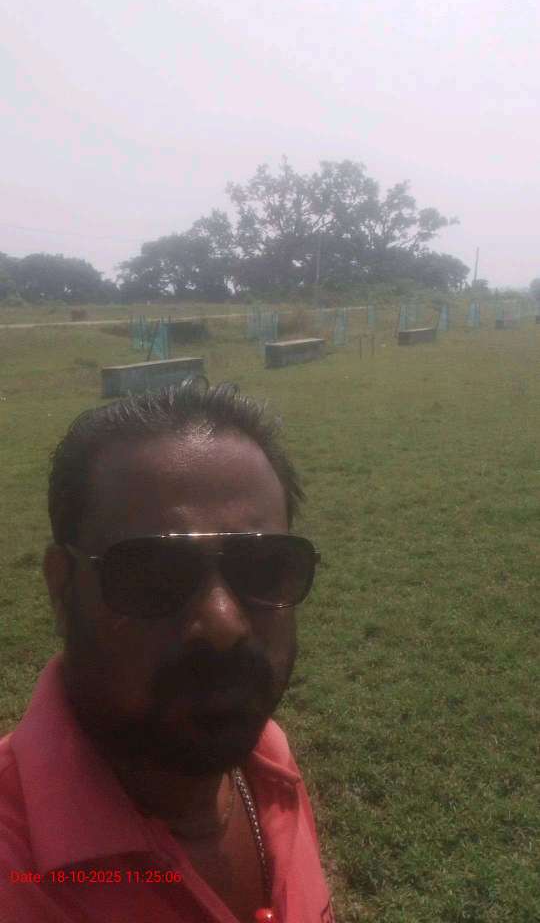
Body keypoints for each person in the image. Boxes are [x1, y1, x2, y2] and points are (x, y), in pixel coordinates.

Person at [0, 379, 334, 923]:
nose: (223, 624)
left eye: (265, 567)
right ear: (62, 588)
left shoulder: (268, 762)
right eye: (152, 574)